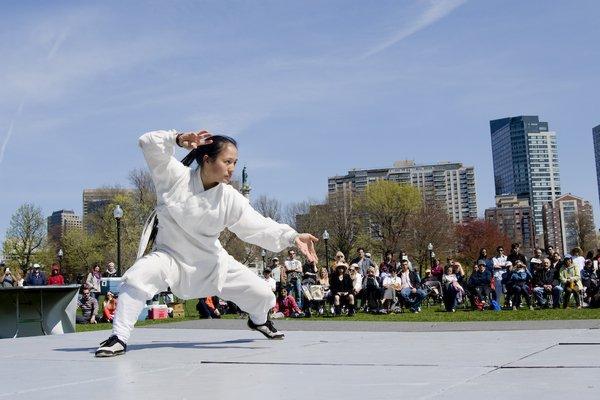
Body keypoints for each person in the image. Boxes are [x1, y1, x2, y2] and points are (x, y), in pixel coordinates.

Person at [95, 130, 318, 357]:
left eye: (235, 163)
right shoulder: (175, 177)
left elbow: (257, 226)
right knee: (137, 276)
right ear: (207, 159)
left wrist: (293, 236)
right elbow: (148, 143)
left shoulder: (229, 198)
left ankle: (259, 322)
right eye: (227, 161)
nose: (232, 168)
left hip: (212, 262)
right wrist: (177, 138)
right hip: (169, 256)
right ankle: (119, 337)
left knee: (263, 294)